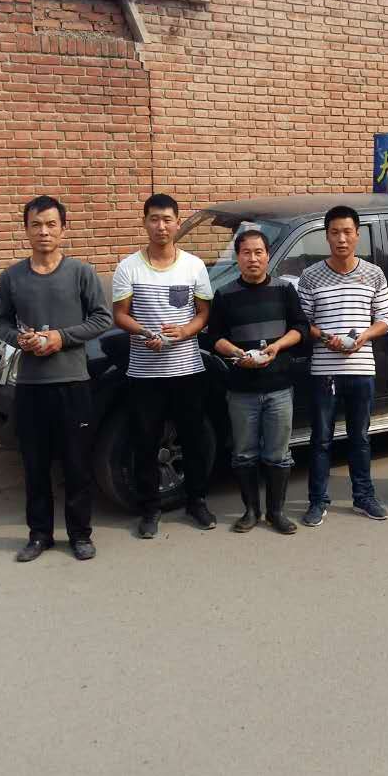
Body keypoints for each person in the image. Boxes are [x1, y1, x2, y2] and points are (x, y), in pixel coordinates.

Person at [0, 195, 112, 562]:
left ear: (63, 228)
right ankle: (39, 534)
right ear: (26, 229)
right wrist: (20, 340)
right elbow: (1, 321)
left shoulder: (81, 273)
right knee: (35, 465)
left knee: (76, 464)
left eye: (50, 224)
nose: (43, 232)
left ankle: (80, 534)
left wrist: (62, 337)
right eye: (36, 225)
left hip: (73, 384)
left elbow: (102, 318)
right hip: (31, 387)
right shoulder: (12, 277)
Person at [112, 193, 216, 537]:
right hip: (145, 374)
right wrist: (145, 333)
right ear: (144, 222)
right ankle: (149, 509)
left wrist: (184, 331)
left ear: (177, 223)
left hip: (187, 371)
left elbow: (203, 313)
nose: (161, 226)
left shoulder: (194, 266)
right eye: (154, 219)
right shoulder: (128, 267)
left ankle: (197, 501)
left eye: (167, 219)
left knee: (194, 439)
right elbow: (120, 315)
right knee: (145, 442)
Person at [210, 228, 310, 534]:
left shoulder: (284, 289)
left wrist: (277, 346)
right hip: (241, 389)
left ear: (267, 256)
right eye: (246, 253)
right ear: (237, 257)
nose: (252, 259)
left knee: (279, 454)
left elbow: (301, 327)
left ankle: (276, 512)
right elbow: (214, 336)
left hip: (279, 387)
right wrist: (235, 352)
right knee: (243, 453)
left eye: (258, 252)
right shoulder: (224, 294)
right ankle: (251, 511)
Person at [297, 206, 388, 526]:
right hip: (324, 372)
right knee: (321, 439)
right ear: (326, 236)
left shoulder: (374, 274)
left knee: (360, 437)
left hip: (362, 369)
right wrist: (327, 338)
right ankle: (317, 501)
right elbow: (303, 323)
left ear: (357, 235)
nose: (341, 239)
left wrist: (364, 337)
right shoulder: (311, 276)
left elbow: (385, 320)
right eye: (335, 232)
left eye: (347, 232)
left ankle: (364, 497)